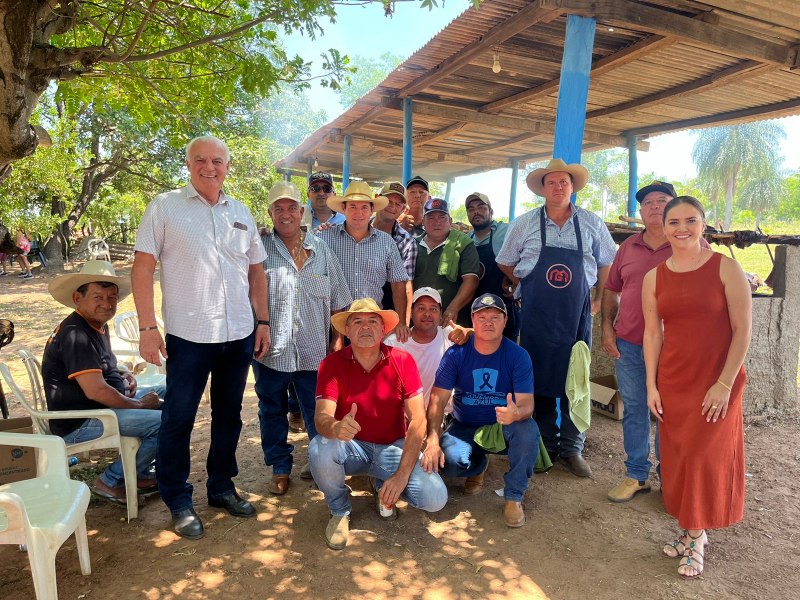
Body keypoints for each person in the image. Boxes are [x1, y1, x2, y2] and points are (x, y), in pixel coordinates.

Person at [132, 135, 270, 540]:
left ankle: (221, 487)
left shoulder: (241, 212)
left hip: (238, 333)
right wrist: (147, 327)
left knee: (229, 415)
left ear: (228, 166)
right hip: (189, 335)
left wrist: (262, 322)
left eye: (217, 161)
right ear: (188, 164)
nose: (209, 167)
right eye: (200, 160)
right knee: (179, 418)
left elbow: (256, 272)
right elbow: (142, 268)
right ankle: (177, 498)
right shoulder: (165, 207)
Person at [643, 196, 751, 578]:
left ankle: (693, 540)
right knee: (679, 458)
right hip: (674, 380)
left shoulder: (727, 268)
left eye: (691, 220)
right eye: (674, 221)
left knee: (704, 457)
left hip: (717, 381)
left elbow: (742, 330)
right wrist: (651, 384)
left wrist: (724, 383)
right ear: (664, 226)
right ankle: (692, 531)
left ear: (704, 224)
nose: (682, 228)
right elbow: (652, 334)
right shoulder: (654, 277)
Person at [497, 158, 616, 478]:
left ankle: (573, 449)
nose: (559, 187)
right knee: (539, 382)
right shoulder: (524, 224)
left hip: (576, 318)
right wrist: (524, 284)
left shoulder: (592, 223)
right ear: (543, 189)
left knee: (575, 380)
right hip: (537, 317)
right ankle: (547, 444)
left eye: (564, 182)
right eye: (552, 182)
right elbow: (505, 261)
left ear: (573, 187)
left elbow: (607, 263)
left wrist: (598, 296)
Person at [602, 181, 711, 502]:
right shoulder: (628, 248)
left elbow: (711, 293)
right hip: (631, 345)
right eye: (647, 203)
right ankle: (636, 475)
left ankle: (670, 477)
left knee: (672, 411)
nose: (654, 206)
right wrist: (607, 327)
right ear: (641, 211)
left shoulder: (694, 243)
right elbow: (611, 288)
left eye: (662, 201)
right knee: (635, 408)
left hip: (677, 348)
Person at [309, 298, 448, 550]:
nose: (365, 327)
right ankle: (340, 510)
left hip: (392, 447)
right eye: (357, 322)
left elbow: (417, 419)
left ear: (383, 329)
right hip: (351, 446)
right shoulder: (331, 364)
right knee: (320, 447)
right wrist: (336, 427)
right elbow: (321, 418)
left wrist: (401, 476)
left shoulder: (402, 360)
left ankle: (384, 484)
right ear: (347, 330)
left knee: (435, 497)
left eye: (373, 321)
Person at [253, 181, 352, 495]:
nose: (285, 214)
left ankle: (320, 462)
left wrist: (337, 342)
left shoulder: (322, 250)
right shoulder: (258, 248)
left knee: (317, 410)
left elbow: (339, 300)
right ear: (270, 214)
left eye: (291, 208)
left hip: (314, 350)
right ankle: (280, 466)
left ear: (302, 211)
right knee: (272, 409)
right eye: (278, 209)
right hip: (271, 350)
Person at [41, 260, 162, 504]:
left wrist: (122, 375)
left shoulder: (94, 325)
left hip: (98, 408)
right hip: (81, 421)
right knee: (166, 422)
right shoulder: (75, 334)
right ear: (78, 298)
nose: (106, 304)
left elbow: (102, 369)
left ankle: (136, 471)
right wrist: (137, 405)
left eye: (112, 297)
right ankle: (111, 480)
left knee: (169, 390)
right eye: (98, 297)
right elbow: (96, 390)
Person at [422, 293, 539, 528]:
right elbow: (437, 398)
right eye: (482, 317)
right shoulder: (456, 354)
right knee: (449, 464)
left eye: (495, 317)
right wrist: (432, 438)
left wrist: (516, 414)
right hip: (464, 424)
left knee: (527, 432)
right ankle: (479, 465)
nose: (488, 322)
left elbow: (527, 404)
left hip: (504, 425)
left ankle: (514, 496)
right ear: (472, 322)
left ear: (505, 321)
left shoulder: (518, 355)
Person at [316, 181, 410, 338]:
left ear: (372, 209)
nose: (358, 213)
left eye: (364, 207)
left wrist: (401, 322)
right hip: (331, 327)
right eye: (352, 206)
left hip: (371, 326)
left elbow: (398, 283)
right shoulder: (323, 238)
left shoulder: (386, 242)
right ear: (344, 208)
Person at [384, 286, 472, 407]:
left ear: (440, 314)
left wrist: (468, 332)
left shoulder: (451, 335)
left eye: (433, 309)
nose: (427, 314)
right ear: (411, 313)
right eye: (421, 308)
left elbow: (487, 338)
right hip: (404, 419)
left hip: (444, 416)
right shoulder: (395, 342)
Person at [414, 198, 480, 327]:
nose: (437, 222)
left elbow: (471, 280)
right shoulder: (412, 244)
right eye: (431, 218)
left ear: (450, 221)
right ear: (423, 222)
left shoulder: (463, 244)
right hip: (418, 321)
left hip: (452, 321)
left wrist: (452, 309)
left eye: (442, 217)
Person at [465, 192, 519, 340]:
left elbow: (527, 256)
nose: (476, 212)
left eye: (481, 207)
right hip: (475, 311)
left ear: (491, 211)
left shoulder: (506, 231)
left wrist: (515, 279)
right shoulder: (466, 240)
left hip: (503, 309)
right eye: (471, 209)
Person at [371, 181, 416, 320]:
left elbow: (406, 284)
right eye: (388, 201)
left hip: (387, 313)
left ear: (403, 209)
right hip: (349, 309)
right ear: (377, 198)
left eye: (398, 204)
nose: (392, 207)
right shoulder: (358, 227)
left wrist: (404, 322)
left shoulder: (407, 242)